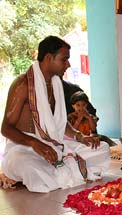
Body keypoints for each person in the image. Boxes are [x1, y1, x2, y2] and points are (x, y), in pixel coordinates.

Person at [0, 36, 110, 192]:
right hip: (23, 148)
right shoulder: (23, 84)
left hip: (53, 146)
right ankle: (71, 169)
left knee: (102, 148)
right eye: (64, 60)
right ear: (48, 58)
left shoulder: (56, 84)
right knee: (27, 166)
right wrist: (34, 143)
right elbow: (6, 128)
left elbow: (58, 122)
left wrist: (80, 137)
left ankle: (63, 170)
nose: (68, 64)